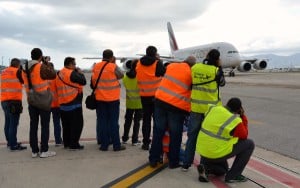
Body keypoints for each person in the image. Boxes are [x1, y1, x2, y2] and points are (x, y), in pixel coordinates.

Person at [182, 49, 226, 171]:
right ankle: (204, 165)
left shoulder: (195, 68)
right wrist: (220, 66)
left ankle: (186, 163)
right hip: (211, 110)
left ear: (206, 56)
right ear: (217, 59)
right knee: (207, 137)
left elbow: (190, 83)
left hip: (196, 107)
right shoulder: (216, 70)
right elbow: (222, 83)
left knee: (192, 136)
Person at [149, 56, 196, 168]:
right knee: (175, 135)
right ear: (192, 65)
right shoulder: (191, 73)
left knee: (158, 133)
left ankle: (153, 159)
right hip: (176, 107)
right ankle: (173, 162)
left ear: (184, 61)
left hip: (160, 102)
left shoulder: (172, 65)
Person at [196, 97, 255, 183]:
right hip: (216, 152)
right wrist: (243, 116)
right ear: (238, 110)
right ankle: (233, 176)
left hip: (203, 151)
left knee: (223, 170)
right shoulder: (234, 119)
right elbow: (244, 136)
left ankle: (206, 168)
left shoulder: (213, 109)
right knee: (249, 144)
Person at [22, 48, 56, 158]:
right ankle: (44, 150)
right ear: (40, 56)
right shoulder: (40, 66)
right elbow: (52, 74)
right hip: (43, 99)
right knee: (45, 126)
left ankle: (34, 151)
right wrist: (46, 62)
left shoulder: (24, 67)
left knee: (33, 125)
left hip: (31, 99)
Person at [92, 49, 125, 151]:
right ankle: (116, 145)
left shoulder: (96, 66)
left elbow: (93, 80)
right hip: (113, 99)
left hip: (100, 98)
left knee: (102, 122)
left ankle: (104, 145)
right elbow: (121, 75)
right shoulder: (113, 66)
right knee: (113, 122)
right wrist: (114, 63)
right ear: (111, 57)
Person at [136, 46, 165, 150]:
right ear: (155, 53)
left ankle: (145, 143)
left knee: (146, 120)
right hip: (156, 96)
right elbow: (163, 73)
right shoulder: (157, 63)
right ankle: (157, 143)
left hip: (144, 96)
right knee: (157, 121)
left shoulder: (139, 63)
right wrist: (159, 60)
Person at [56, 57, 86, 150]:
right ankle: (74, 144)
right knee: (77, 124)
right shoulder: (71, 73)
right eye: (74, 64)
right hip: (73, 102)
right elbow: (83, 81)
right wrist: (80, 73)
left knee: (66, 125)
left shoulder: (59, 73)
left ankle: (67, 143)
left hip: (62, 103)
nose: (75, 66)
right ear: (69, 64)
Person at [1, 58, 27, 151]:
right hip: (14, 101)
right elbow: (24, 81)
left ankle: (10, 142)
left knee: (8, 122)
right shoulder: (18, 71)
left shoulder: (3, 72)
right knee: (13, 124)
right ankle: (14, 145)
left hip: (4, 100)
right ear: (18, 64)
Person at [121, 59, 143, 146]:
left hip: (129, 102)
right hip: (139, 103)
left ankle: (125, 138)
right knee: (136, 122)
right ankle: (135, 140)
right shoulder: (140, 76)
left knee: (128, 121)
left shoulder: (125, 77)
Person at [48, 60, 63, 146]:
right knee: (57, 123)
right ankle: (58, 141)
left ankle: (44, 142)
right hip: (56, 104)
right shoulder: (56, 77)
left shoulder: (42, 77)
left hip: (45, 104)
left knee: (44, 125)